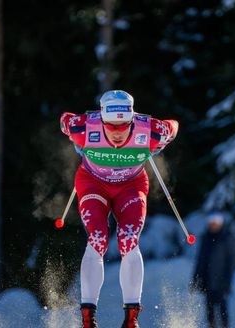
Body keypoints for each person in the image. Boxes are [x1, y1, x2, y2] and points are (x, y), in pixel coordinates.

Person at [59, 90, 179, 328]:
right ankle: (87, 317)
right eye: (110, 126)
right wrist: (75, 141)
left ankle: (131, 317)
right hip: (93, 183)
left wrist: (161, 142)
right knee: (97, 238)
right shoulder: (82, 128)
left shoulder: (151, 131)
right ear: (101, 120)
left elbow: (173, 126)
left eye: (123, 125)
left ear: (132, 119)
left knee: (128, 240)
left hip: (131, 186)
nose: (117, 132)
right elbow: (64, 119)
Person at [191, 213, 235, 328]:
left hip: (221, 279)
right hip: (207, 279)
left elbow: (232, 261)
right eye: (210, 223)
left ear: (220, 223)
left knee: (222, 305)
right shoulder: (205, 238)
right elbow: (200, 260)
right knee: (209, 307)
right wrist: (196, 278)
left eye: (214, 223)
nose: (212, 225)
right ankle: (211, 326)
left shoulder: (227, 238)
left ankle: (224, 325)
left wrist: (228, 280)